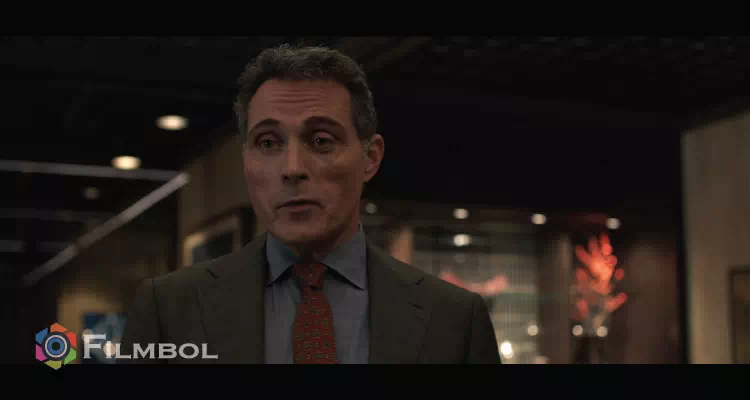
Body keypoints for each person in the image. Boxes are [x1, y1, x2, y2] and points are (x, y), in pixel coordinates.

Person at [119, 44, 501, 364]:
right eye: (268, 143)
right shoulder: (169, 310)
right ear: (246, 160)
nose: (292, 169)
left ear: (370, 158)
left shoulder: (454, 320)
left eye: (321, 141)